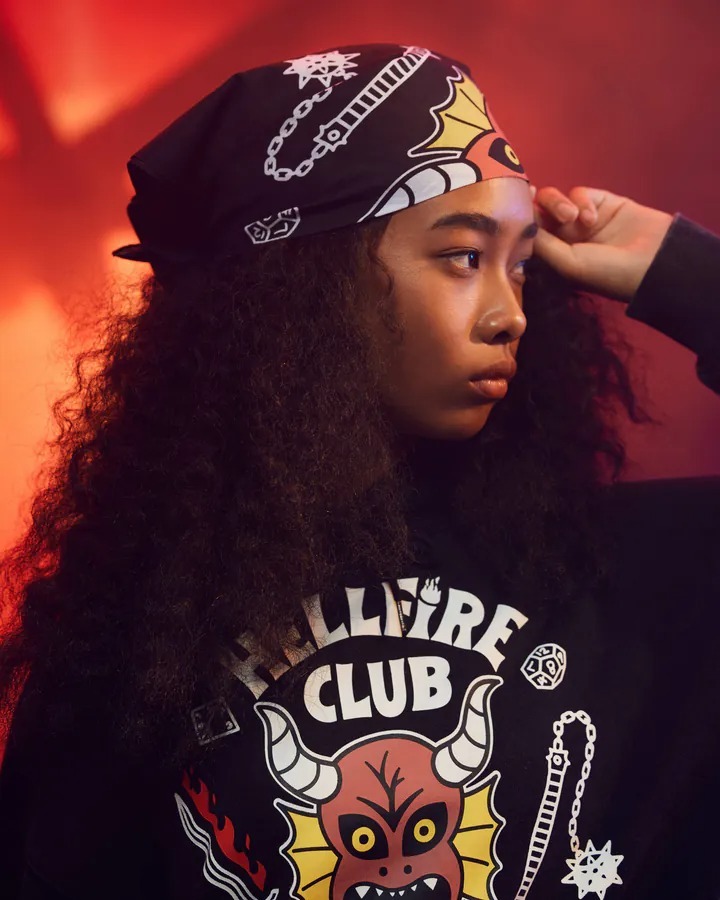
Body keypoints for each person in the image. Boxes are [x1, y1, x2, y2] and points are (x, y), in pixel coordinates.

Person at [0, 43, 718, 900]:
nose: (511, 314)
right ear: (307, 288)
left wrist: (680, 267)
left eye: (523, 265)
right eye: (464, 256)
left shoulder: (631, 571)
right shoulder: (133, 636)